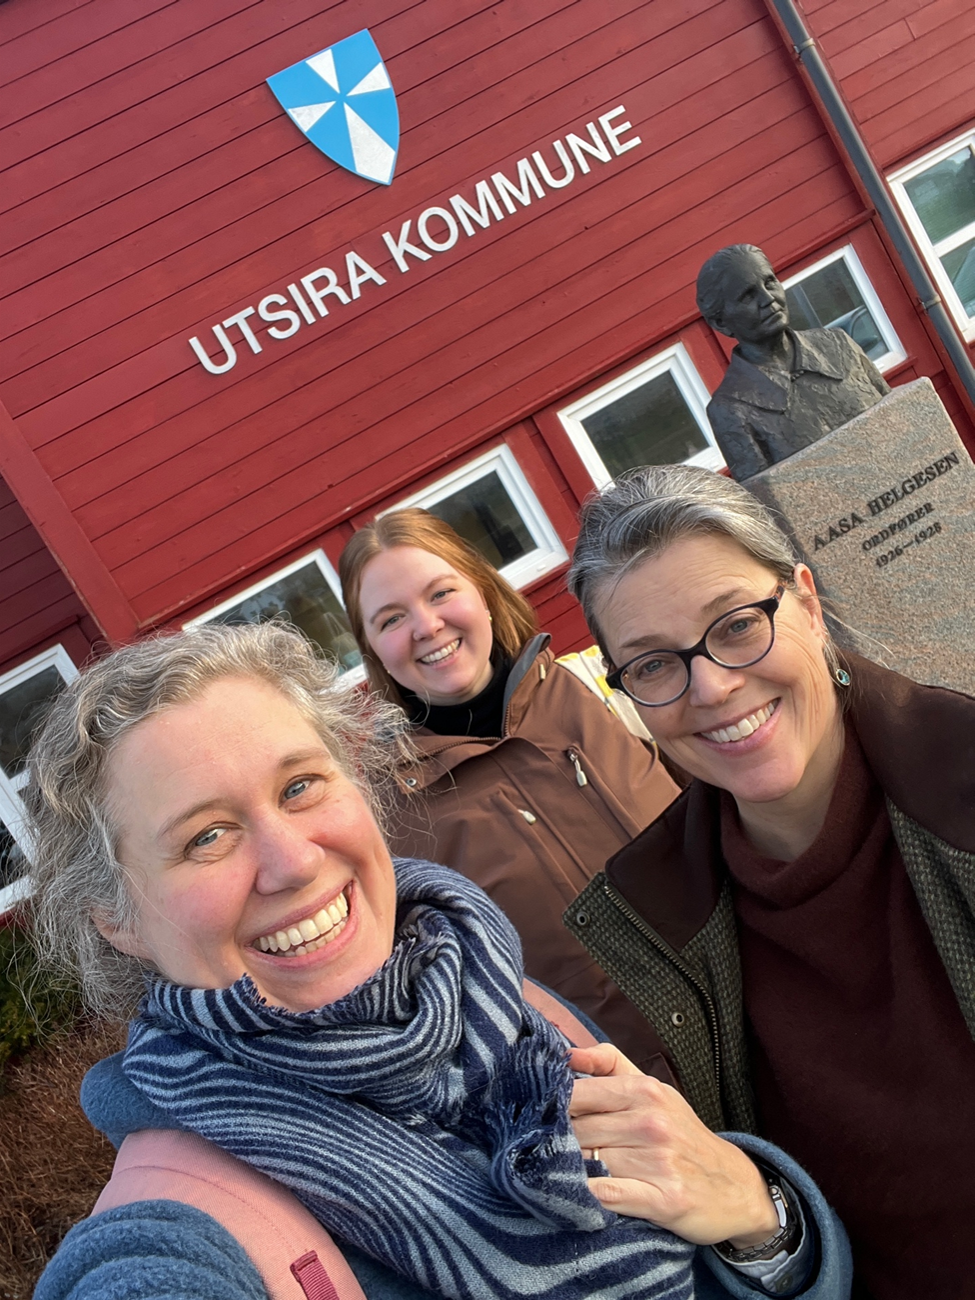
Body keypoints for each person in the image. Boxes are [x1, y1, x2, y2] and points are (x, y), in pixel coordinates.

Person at [24, 623, 850, 1300]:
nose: (295, 862)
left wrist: (762, 1220)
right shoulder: (176, 1239)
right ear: (117, 920)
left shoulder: (503, 999)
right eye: (206, 837)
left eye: (301, 787)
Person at [563, 463, 975, 1300]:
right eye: (650, 665)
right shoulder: (654, 926)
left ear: (808, 603)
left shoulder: (964, 782)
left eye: (737, 624)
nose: (710, 686)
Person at [338, 509, 680, 1074]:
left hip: (770, 1014)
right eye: (391, 619)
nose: (426, 627)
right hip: (630, 1098)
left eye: (441, 592)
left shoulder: (611, 687)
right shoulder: (391, 821)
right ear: (375, 650)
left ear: (484, 591)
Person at [696, 244, 890, 480]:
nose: (768, 299)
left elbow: (898, 417)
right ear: (720, 322)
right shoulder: (729, 409)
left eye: (769, 283)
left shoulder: (839, 344)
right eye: (748, 295)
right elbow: (771, 500)